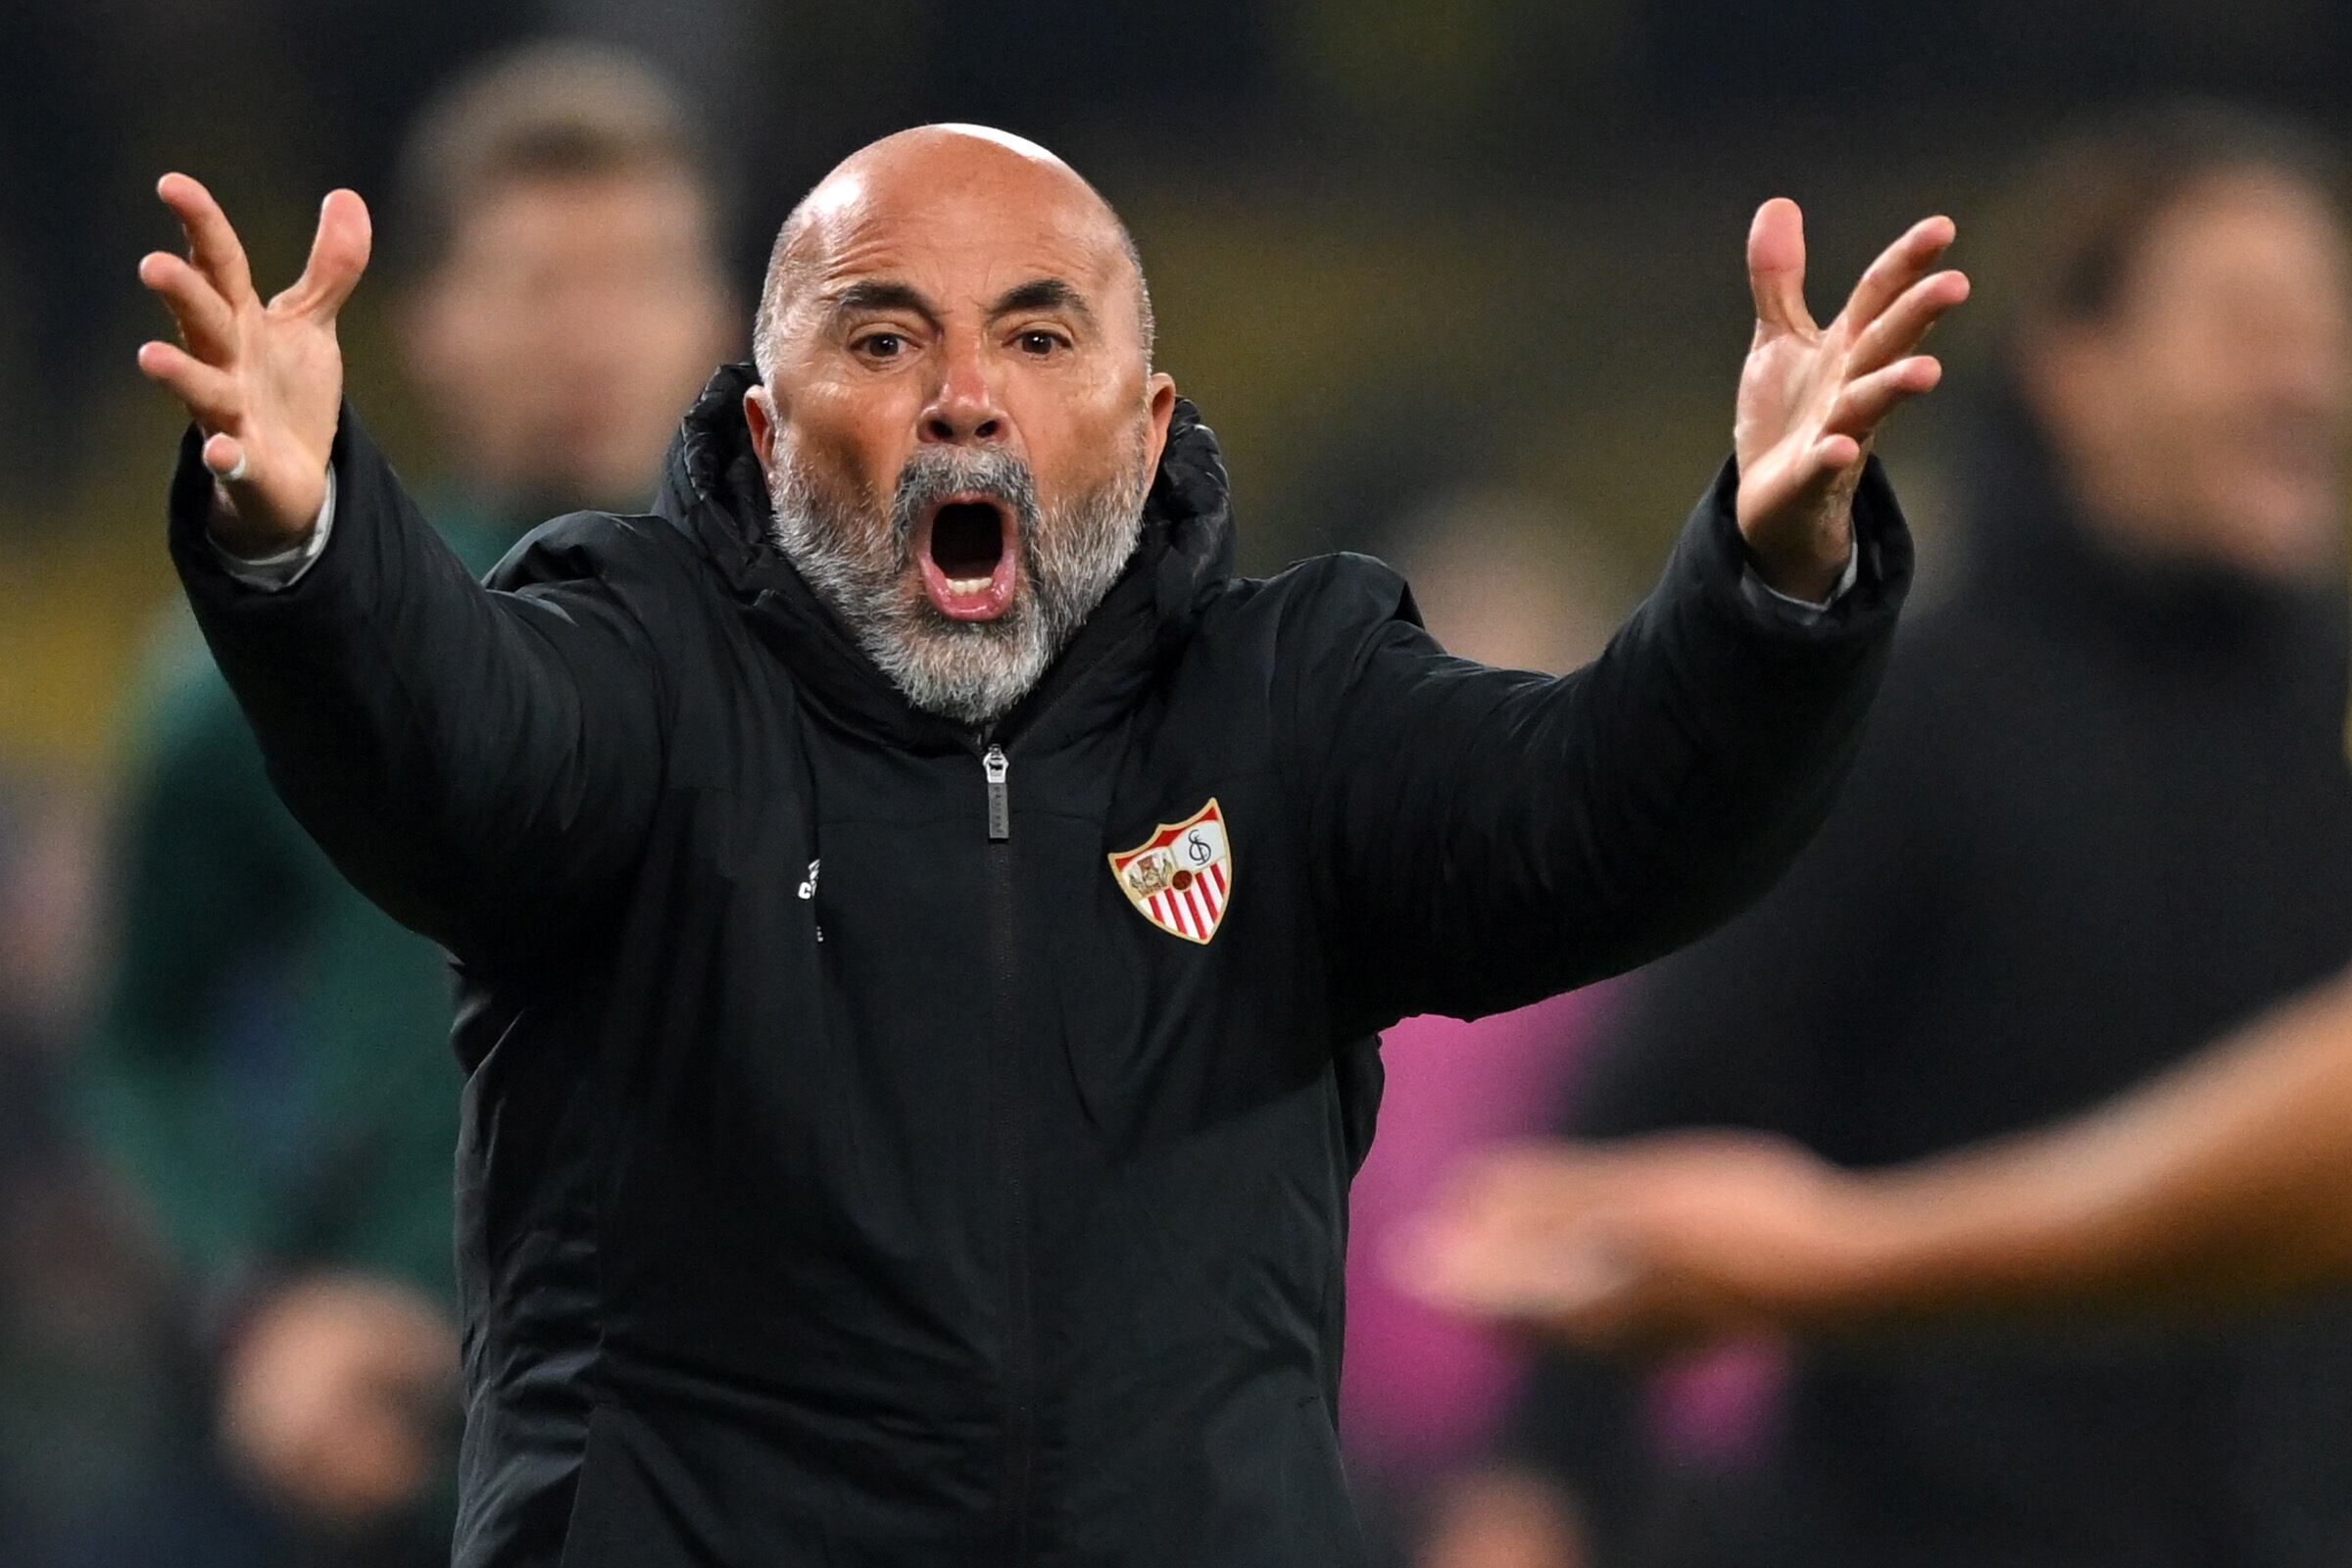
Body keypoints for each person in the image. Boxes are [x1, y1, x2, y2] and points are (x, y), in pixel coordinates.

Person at [131, 121, 1963, 1563]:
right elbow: (456, 745)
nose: (963, 395)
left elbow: (1604, 814)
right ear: (768, 436)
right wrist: (313, 544)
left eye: (1036, 332)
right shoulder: (639, 658)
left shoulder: (1290, 702)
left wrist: (1765, 577)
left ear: (1145, 421)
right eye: (881, 336)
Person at [1410, 103, 2352, 1568]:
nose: (2309, 371)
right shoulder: (1912, 704)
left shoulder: (2331, 716)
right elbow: (1667, 1112)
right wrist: (1537, 1491)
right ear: (2073, 368)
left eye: (2327, 323)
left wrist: (1846, 1258)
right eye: (2246, 320)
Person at [82, 41, 733, 1561]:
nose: (592, 332)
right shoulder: (270, 656)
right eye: (535, 281)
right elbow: (138, 1036)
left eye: (640, 273)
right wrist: (253, 1307)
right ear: (430, 324)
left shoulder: (845, 656)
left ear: (721, 319)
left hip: (757, 1447)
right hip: (404, 1452)